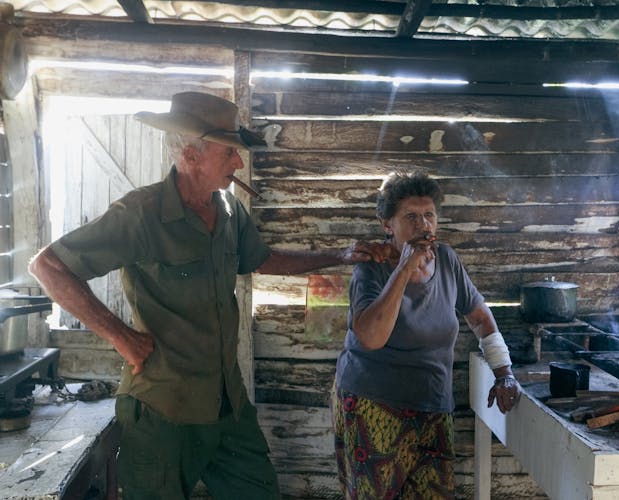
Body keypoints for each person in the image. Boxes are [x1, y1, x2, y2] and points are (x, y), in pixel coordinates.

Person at [27, 91, 380, 500]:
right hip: (163, 411)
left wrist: (339, 255)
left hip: (227, 405)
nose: (238, 162)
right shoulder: (141, 213)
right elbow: (48, 266)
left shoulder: (229, 211)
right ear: (190, 157)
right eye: (229, 152)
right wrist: (121, 338)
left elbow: (261, 259)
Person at [331, 172, 520, 499]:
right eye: (411, 217)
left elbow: (479, 317)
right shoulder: (372, 268)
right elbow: (371, 337)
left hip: (433, 408)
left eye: (429, 215)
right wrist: (405, 268)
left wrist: (504, 373)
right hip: (373, 407)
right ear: (387, 224)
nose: (424, 225)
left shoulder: (446, 259)